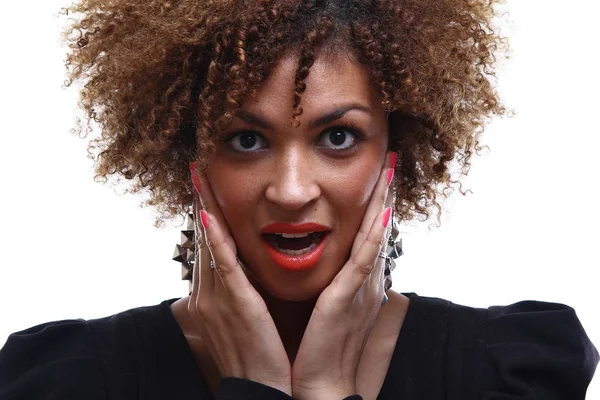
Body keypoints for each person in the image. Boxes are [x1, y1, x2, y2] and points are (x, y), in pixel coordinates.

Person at [0, 0, 598, 399]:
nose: (291, 190)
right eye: (246, 139)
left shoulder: (508, 375)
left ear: (399, 148)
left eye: (338, 137)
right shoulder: (67, 380)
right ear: (191, 155)